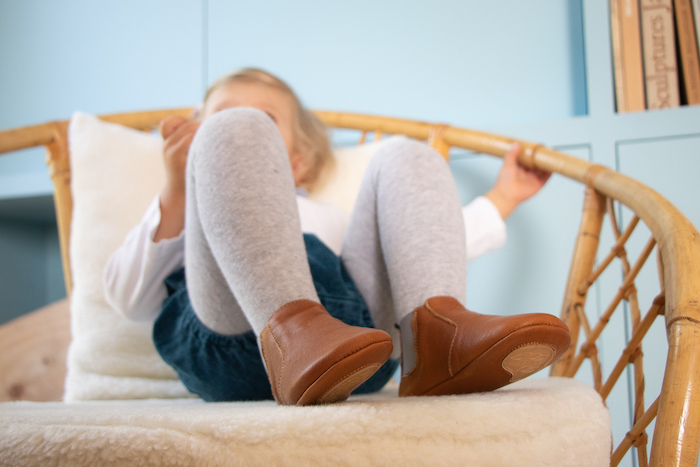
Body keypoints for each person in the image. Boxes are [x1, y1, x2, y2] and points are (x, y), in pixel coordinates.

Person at [103, 68, 570, 406]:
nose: (250, 126)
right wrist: (180, 188)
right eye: (219, 118)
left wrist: (505, 197)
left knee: (408, 157)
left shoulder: (326, 214)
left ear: (297, 161)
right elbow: (129, 297)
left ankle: (437, 343)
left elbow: (420, 247)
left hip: (350, 354)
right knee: (234, 133)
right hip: (230, 337)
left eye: (266, 122)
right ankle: (291, 331)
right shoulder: (186, 211)